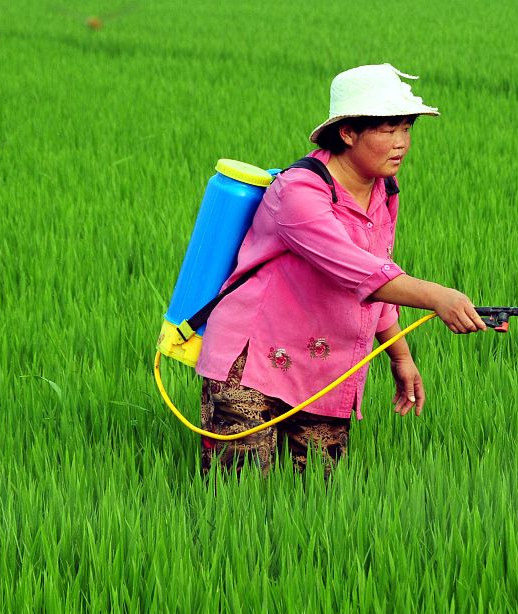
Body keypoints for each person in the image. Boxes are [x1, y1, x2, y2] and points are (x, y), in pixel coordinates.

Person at [195, 63, 486, 476]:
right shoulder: (298, 192)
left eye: (406, 128)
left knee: (319, 499)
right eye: (388, 129)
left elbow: (379, 274)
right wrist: (437, 296)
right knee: (237, 501)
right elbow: (356, 270)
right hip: (255, 363)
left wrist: (399, 356)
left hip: (326, 367)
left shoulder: (383, 191)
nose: (402, 142)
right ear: (348, 132)